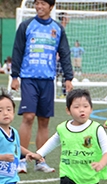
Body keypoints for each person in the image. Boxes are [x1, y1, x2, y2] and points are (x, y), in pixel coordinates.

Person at [11, 0, 73, 174]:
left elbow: (65, 53)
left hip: (48, 80)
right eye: (36, 3)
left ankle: (39, 160)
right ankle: (21, 160)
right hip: (29, 77)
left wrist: (68, 77)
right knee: (29, 117)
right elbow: (17, 50)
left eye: (42, 3)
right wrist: (14, 76)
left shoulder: (58, 29)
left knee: (44, 120)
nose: (38, 7)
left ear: (51, 7)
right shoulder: (26, 26)